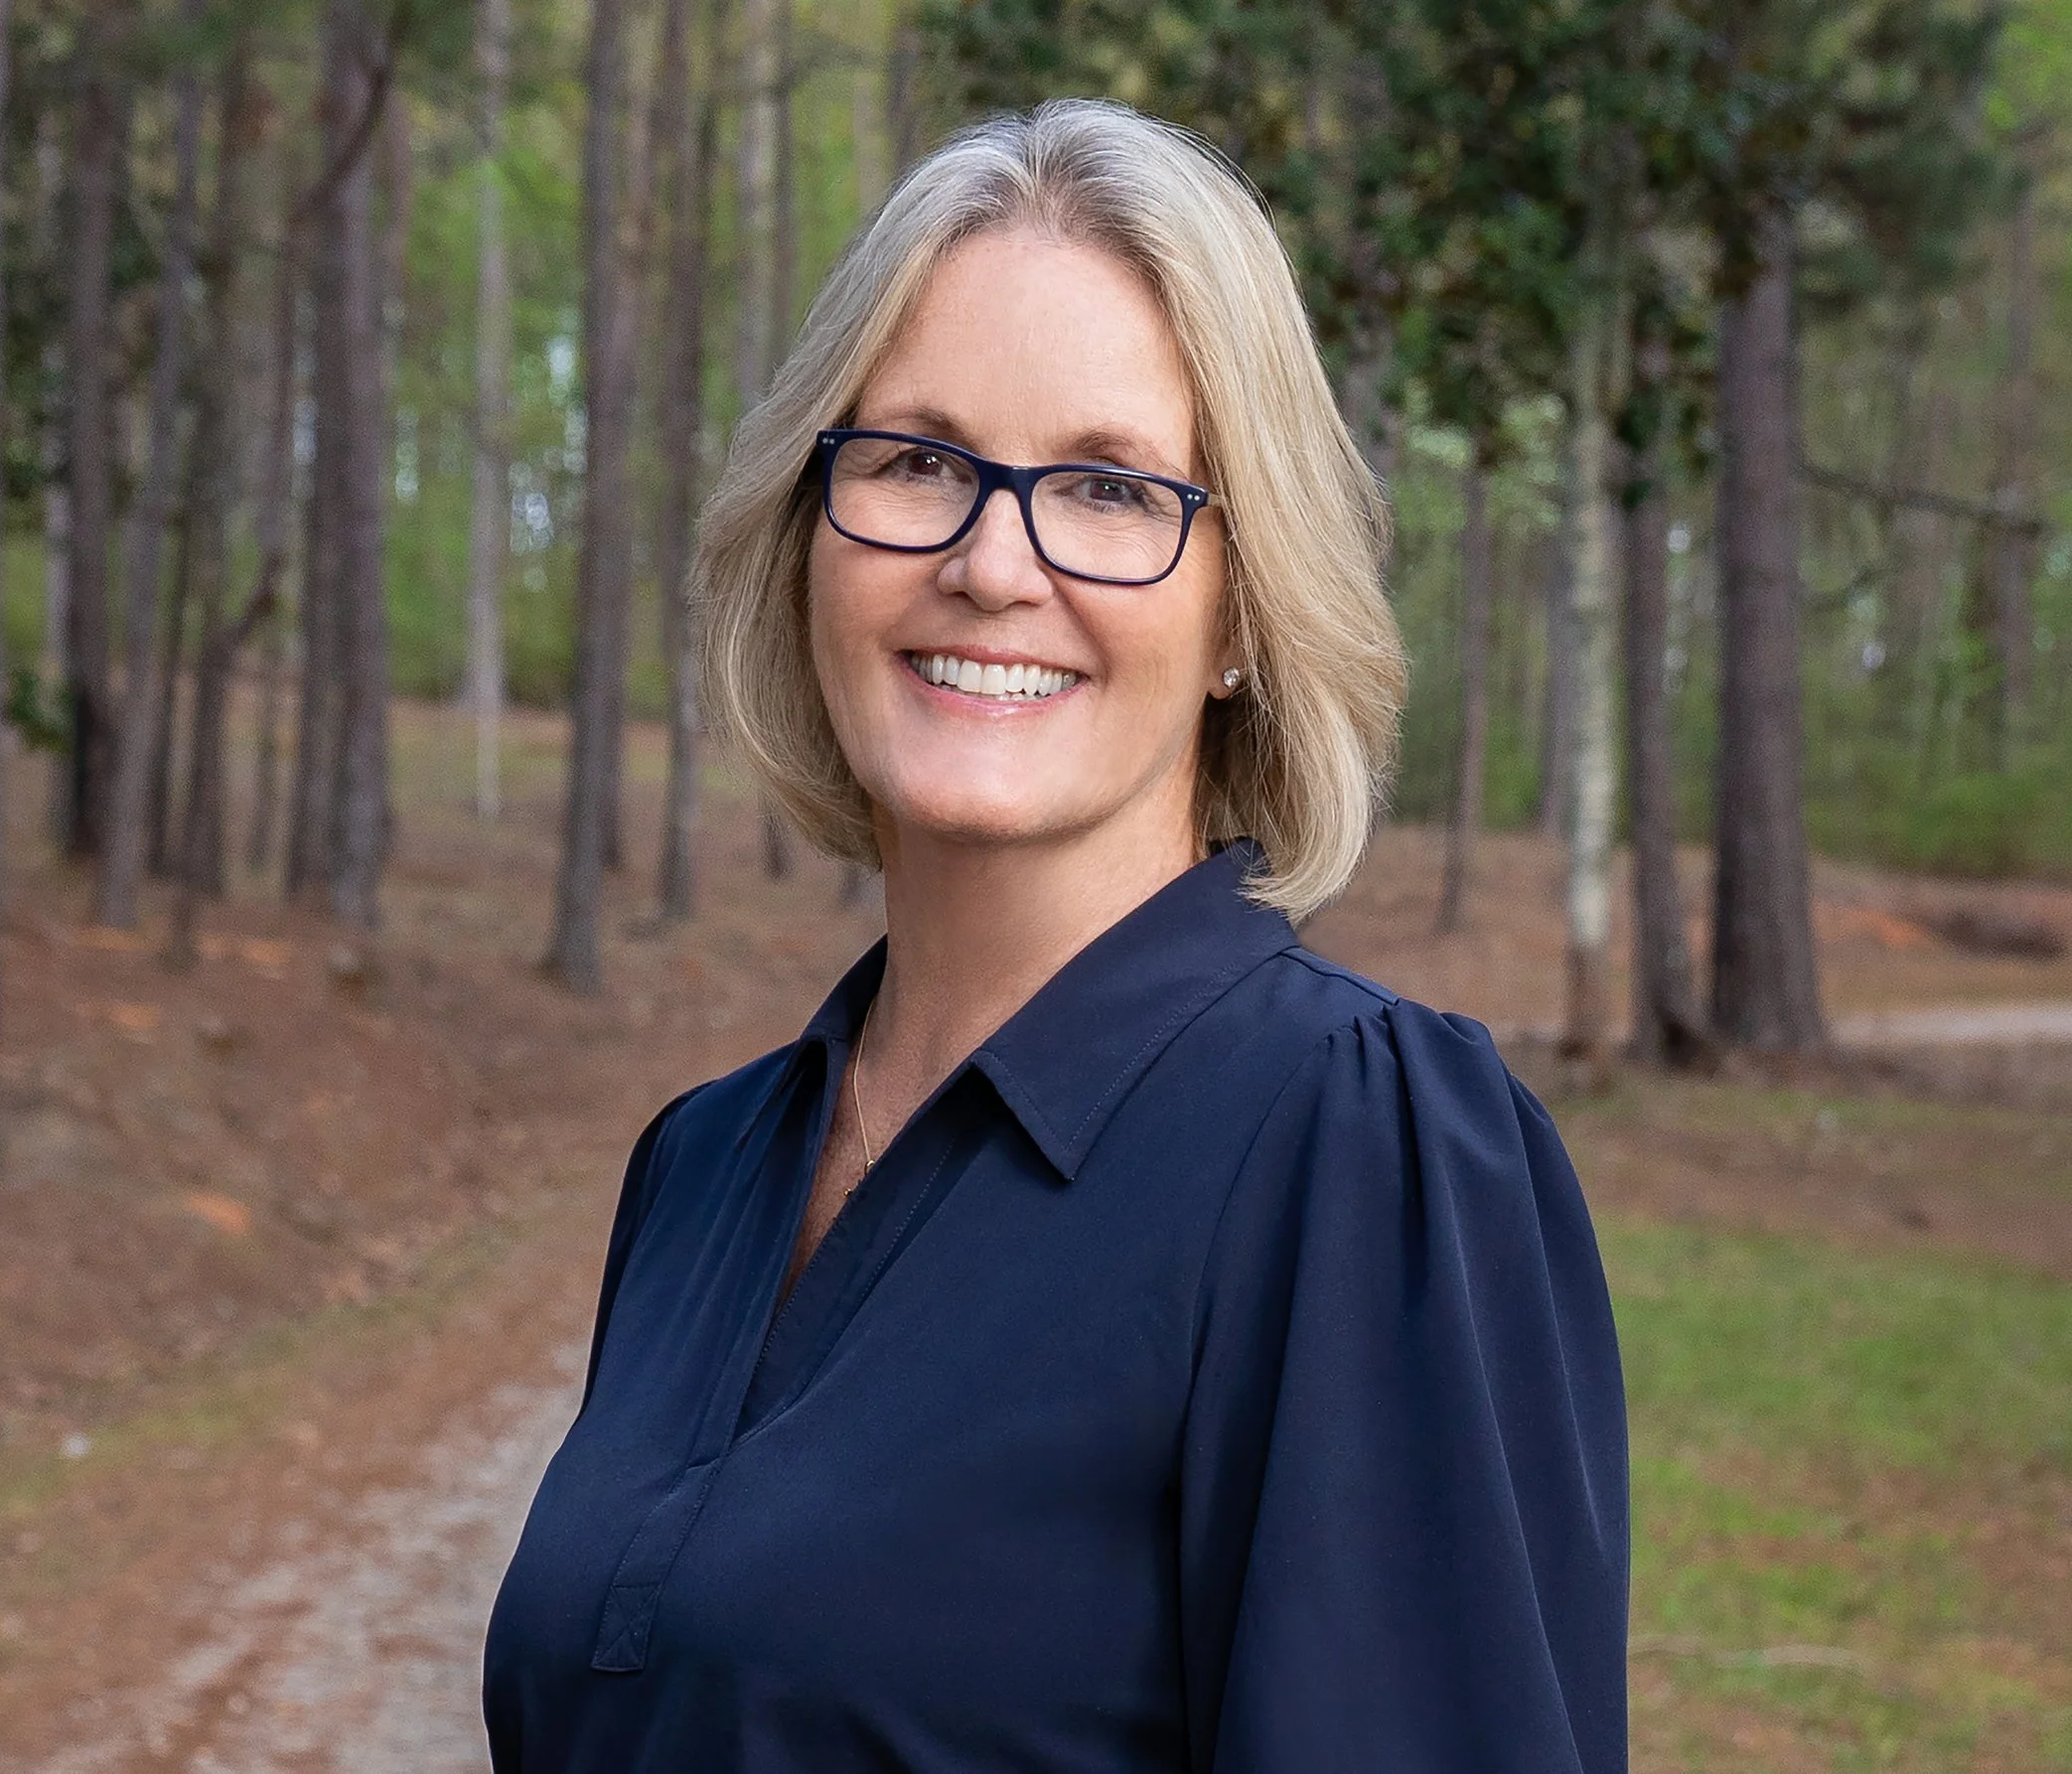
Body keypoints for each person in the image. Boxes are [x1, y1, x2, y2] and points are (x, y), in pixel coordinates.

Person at [484, 97, 1627, 1773]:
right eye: (917, 460)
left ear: (1242, 609)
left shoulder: (1356, 1152)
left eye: (1106, 487)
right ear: (814, 537)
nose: (990, 560)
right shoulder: (705, 1166)